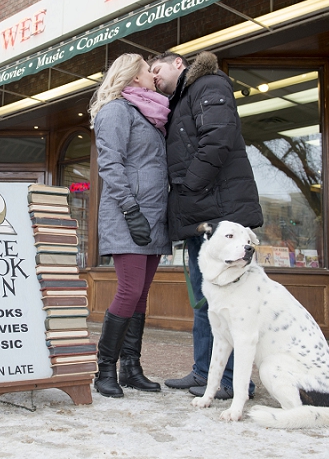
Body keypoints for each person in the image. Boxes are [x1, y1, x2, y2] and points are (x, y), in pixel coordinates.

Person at [150, 50, 263, 400]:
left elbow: (218, 137)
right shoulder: (180, 100)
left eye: (156, 69)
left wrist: (187, 186)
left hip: (222, 218)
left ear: (178, 64)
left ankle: (232, 381)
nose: (153, 77)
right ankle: (205, 372)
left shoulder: (208, 84)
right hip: (204, 219)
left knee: (232, 302)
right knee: (205, 300)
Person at [88, 53, 171, 398]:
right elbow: (110, 165)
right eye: (146, 70)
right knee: (129, 290)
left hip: (153, 215)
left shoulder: (148, 114)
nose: (153, 75)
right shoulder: (115, 111)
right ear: (133, 77)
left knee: (141, 295)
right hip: (129, 214)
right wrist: (130, 209)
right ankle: (104, 369)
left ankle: (131, 367)